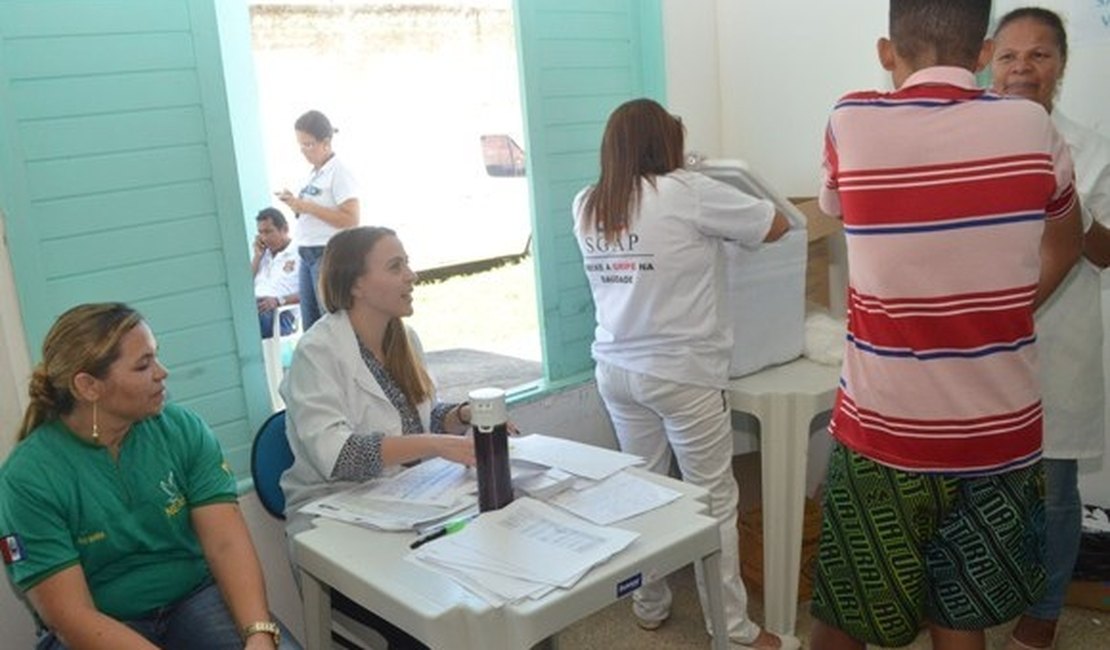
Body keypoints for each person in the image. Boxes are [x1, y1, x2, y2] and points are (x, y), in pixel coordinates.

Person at [808, 2, 1084, 649]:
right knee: (962, 616)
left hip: (885, 430)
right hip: (1000, 436)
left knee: (844, 619)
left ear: (886, 52)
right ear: (985, 54)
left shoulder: (850, 119)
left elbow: (838, 209)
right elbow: (1067, 245)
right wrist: (1003, 309)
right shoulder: (1033, 128)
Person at [572, 97, 791, 650]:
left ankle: (650, 605)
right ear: (664, 144)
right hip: (682, 373)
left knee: (642, 492)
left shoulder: (586, 204)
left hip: (616, 369)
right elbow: (777, 224)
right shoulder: (686, 193)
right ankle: (733, 632)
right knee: (712, 500)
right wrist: (693, 171)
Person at [0, 303, 281, 650]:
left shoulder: (181, 429)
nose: (162, 372)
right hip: (101, 624)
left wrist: (259, 633)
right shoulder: (28, 478)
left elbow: (226, 544)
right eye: (143, 365)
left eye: (156, 357)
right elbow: (72, 618)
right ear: (89, 386)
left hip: (194, 600)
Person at [279, 226, 475, 649]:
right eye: (396, 266)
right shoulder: (317, 352)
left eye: (407, 263)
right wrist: (437, 445)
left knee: (484, 595)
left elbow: (415, 421)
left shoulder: (404, 340)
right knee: (429, 621)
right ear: (356, 286)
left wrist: (460, 416)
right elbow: (341, 456)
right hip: (331, 515)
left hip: (403, 503)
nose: (412, 276)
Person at [990, 8, 1110, 650]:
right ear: (989, 62)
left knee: (1056, 493)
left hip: (1056, 344)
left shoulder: (1091, 148)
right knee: (980, 490)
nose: (1022, 68)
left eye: (1039, 55)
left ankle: (1043, 614)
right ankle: (979, 599)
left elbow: (1107, 251)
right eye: (1009, 55)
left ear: (1061, 65)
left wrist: (1067, 204)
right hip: (981, 351)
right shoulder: (969, 137)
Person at [277, 110, 360, 332]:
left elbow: (351, 219)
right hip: (306, 252)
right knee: (312, 325)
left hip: (327, 252)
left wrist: (308, 207)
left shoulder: (338, 171)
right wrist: (295, 204)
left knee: (332, 322)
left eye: (309, 145)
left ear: (326, 142)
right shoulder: (314, 173)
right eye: (301, 145)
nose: (304, 151)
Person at [252, 207, 300, 339]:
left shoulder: (299, 253)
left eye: (268, 232)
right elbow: (245, 287)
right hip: (255, 307)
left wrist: (278, 301)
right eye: (260, 233)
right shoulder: (263, 254)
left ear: (284, 229)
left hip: (279, 313)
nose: (264, 238)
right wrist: (257, 257)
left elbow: (310, 293)